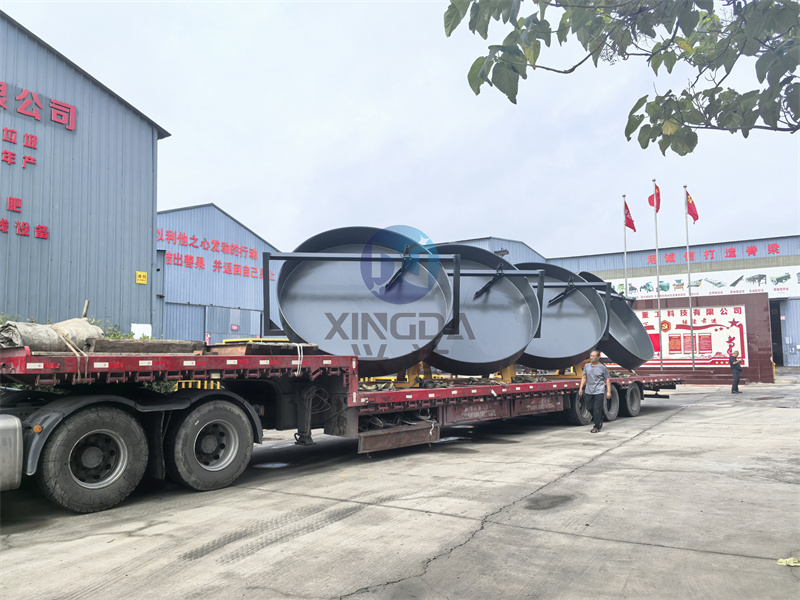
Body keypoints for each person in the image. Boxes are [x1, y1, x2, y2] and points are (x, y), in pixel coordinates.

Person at [578, 350, 611, 433]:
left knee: (597, 408)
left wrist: (609, 391)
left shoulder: (602, 367)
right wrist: (581, 388)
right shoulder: (587, 366)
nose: (591, 358)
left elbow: (607, 379)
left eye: (593, 356)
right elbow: (584, 377)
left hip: (599, 391)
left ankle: (596, 427)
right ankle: (599, 418)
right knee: (589, 407)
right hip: (589, 390)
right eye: (591, 356)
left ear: (598, 357)